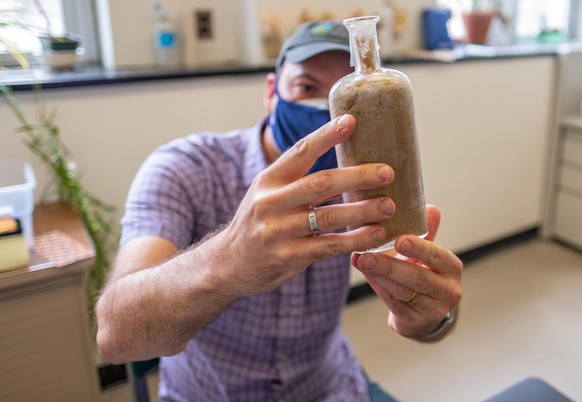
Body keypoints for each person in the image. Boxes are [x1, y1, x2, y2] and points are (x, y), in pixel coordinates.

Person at [96, 20, 463, 402]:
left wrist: (429, 318)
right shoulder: (185, 169)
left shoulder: (367, 186)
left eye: (345, 97)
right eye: (306, 87)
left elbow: (426, 306)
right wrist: (229, 261)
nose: (326, 110)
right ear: (271, 92)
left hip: (329, 389)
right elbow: (115, 336)